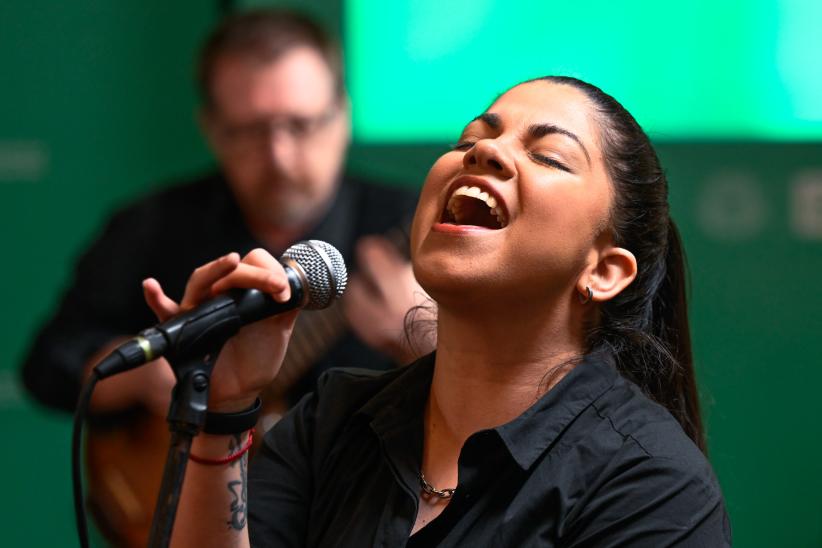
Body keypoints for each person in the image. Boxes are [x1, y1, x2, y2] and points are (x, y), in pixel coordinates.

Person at [148, 76, 732, 546]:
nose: (484, 150)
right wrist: (223, 409)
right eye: (470, 138)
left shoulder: (651, 485)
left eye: (549, 156)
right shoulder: (331, 421)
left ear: (603, 271)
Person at [21, 9, 424, 418]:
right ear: (212, 130)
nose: (279, 158)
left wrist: (419, 343)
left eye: (301, 125)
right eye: (250, 131)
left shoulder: (417, 220)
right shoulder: (152, 225)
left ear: (342, 116)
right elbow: (47, 364)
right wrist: (143, 377)